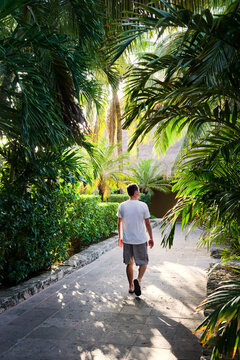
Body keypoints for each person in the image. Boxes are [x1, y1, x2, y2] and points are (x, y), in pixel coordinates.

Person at [117, 183, 154, 296]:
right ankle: (138, 279)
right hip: (140, 239)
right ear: (135, 192)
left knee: (129, 263)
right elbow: (147, 223)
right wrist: (151, 237)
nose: (139, 193)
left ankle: (131, 287)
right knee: (143, 262)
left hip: (128, 240)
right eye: (138, 191)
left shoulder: (122, 205)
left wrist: (120, 237)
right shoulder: (143, 205)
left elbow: (119, 222)